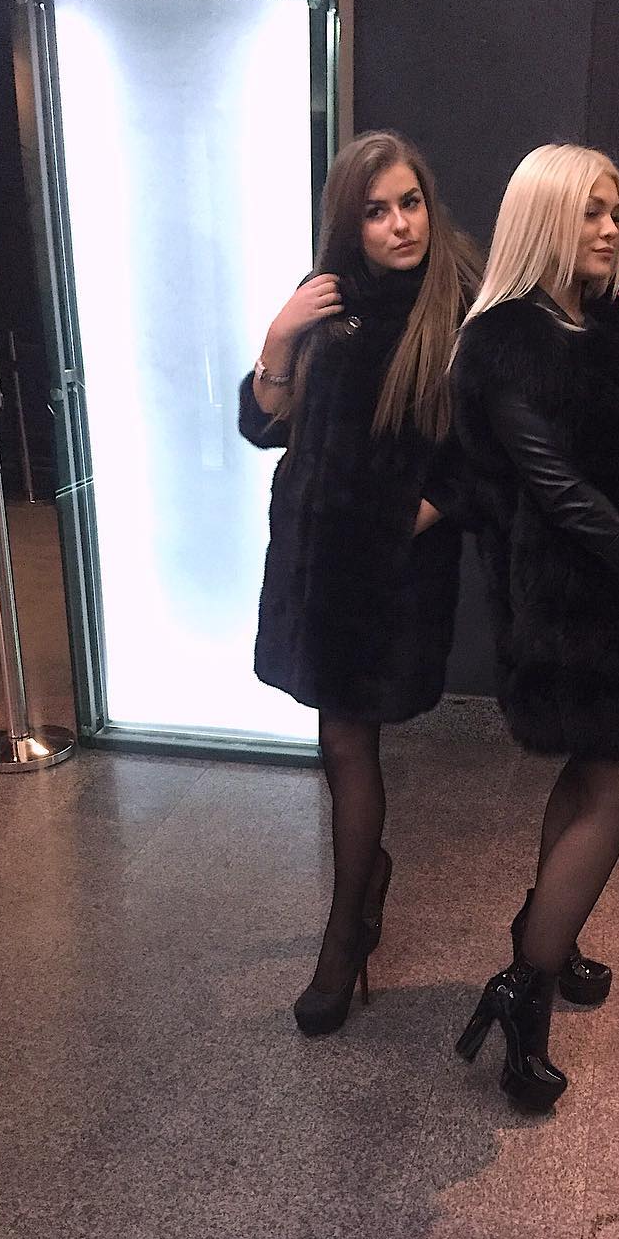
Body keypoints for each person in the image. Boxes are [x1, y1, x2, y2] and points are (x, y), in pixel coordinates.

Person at [449, 143, 619, 1111]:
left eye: (616, 211)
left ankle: (545, 938)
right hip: (569, 599)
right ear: (544, 219)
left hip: (618, 586)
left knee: (592, 770)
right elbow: (557, 489)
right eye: (590, 212)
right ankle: (522, 988)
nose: (609, 230)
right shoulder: (504, 339)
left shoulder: (607, 321)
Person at [238, 131, 481, 1035]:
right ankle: (367, 876)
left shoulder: (462, 308)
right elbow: (264, 424)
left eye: (410, 202)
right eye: (376, 211)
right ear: (350, 221)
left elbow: (486, 459)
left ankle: (344, 937)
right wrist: (279, 333)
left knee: (348, 740)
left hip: (387, 580)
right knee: (336, 739)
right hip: (312, 566)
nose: (399, 224)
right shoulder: (328, 302)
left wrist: (402, 521)